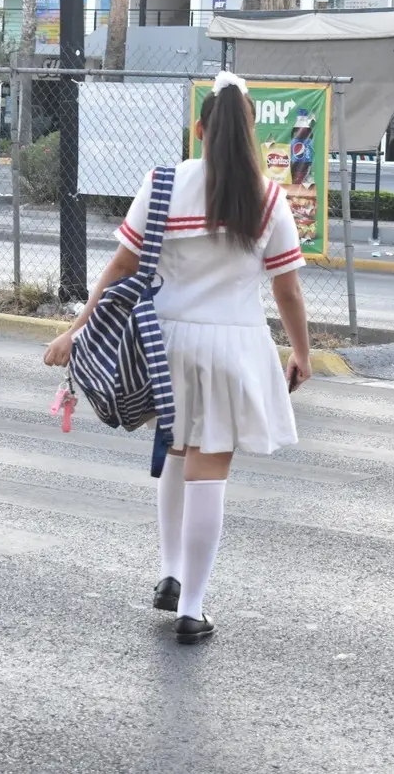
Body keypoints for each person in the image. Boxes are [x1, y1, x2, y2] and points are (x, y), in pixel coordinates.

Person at [43, 71, 311, 645]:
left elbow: (120, 267)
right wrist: (302, 352)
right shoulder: (267, 198)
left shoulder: (163, 182)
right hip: (233, 345)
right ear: (249, 134)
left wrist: (77, 328)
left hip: (164, 340)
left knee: (174, 447)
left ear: (199, 129)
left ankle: (169, 572)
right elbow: (287, 289)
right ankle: (192, 605)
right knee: (208, 470)